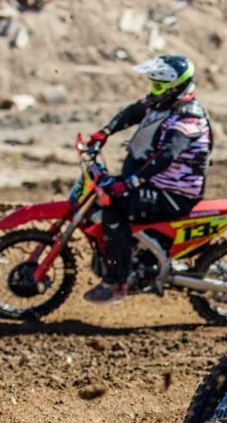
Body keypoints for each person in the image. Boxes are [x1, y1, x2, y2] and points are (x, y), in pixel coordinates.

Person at [83, 54, 212, 303]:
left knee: (114, 206)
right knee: (104, 194)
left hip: (175, 194)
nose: (153, 90)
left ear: (175, 87)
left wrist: (130, 182)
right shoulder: (163, 105)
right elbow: (134, 111)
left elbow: (166, 156)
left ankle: (116, 281)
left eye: (159, 86)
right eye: (153, 84)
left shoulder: (188, 118)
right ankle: (132, 253)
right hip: (155, 184)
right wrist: (104, 133)